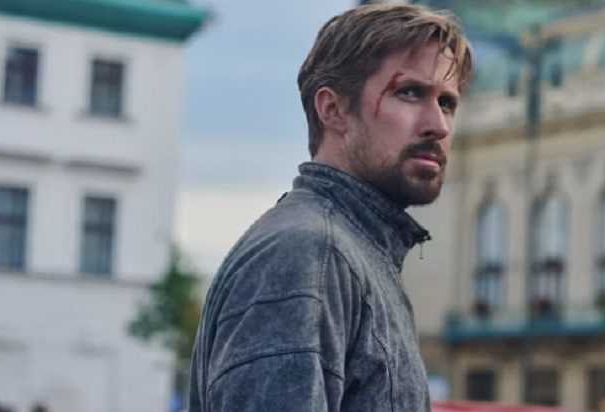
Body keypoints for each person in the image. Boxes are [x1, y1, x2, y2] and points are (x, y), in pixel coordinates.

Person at [188, 3, 472, 411]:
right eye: (409, 93)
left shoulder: (354, 255)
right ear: (333, 109)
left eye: (447, 103)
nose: (438, 125)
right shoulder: (309, 254)